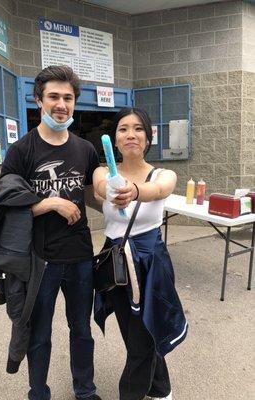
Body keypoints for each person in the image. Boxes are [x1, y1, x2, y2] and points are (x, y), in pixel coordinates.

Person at [0, 65, 102, 400]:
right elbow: (5, 205)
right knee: (40, 334)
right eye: (54, 96)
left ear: (75, 102)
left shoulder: (85, 149)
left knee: (82, 330)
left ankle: (85, 390)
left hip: (80, 256)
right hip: (40, 259)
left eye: (68, 97)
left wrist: (119, 199)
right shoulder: (22, 151)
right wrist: (51, 203)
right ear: (38, 99)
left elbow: (90, 196)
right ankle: (38, 393)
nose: (62, 104)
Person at [93, 108, 188, 400]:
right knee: (137, 338)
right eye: (123, 129)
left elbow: (159, 190)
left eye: (138, 129)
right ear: (115, 139)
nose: (130, 134)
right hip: (118, 263)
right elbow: (97, 188)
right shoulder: (102, 172)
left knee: (148, 334)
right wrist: (108, 189)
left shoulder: (164, 174)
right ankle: (161, 389)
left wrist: (134, 191)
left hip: (151, 262)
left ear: (148, 138)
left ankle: (150, 391)